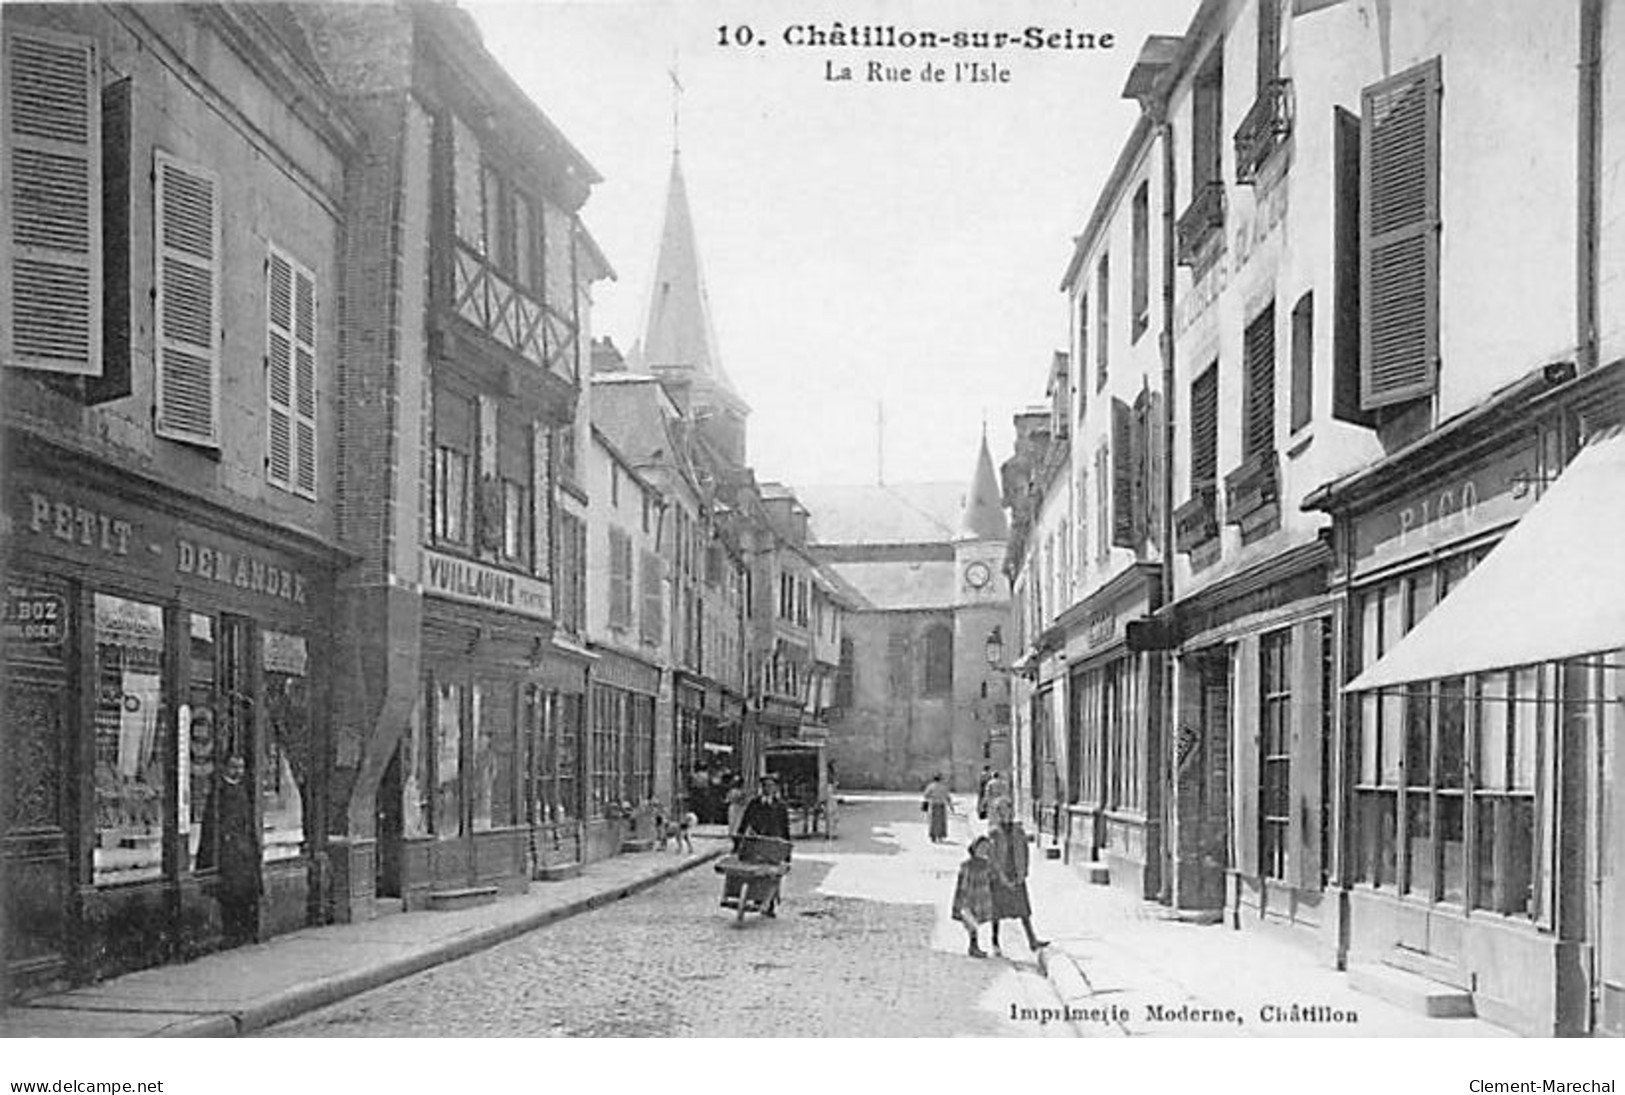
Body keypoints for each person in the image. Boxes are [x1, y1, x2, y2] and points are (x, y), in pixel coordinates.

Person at [198, 755, 261, 946]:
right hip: (229, 853)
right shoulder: (219, 792)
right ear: (225, 767)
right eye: (234, 767)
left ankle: (245, 932)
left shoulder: (242, 790)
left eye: (241, 767)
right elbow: (211, 825)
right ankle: (232, 933)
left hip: (244, 852)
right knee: (231, 894)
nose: (238, 771)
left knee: (245, 893)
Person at [987, 797, 1048, 954]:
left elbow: (1025, 852)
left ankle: (1032, 940)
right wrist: (1000, 875)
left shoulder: (1018, 831)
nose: (1004, 814)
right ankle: (995, 942)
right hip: (1000, 875)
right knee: (997, 911)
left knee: (1023, 911)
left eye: (1007, 809)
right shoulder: (993, 833)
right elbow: (992, 856)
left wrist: (1024, 872)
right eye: (1000, 811)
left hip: (1016, 872)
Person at [730, 775, 791, 916]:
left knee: (773, 874)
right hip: (757, 841)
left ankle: (770, 903)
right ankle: (756, 896)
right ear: (761, 788)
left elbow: (785, 828)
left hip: (774, 844)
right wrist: (738, 840)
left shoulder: (780, 806)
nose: (768, 789)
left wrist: (787, 852)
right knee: (755, 870)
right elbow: (745, 822)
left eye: (771, 786)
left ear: (775, 788)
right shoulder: (754, 804)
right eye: (765, 786)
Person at [953, 836, 996, 958]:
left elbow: (991, 879)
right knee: (971, 922)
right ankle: (973, 946)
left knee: (977, 921)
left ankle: (976, 945)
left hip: (981, 897)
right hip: (969, 897)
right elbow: (963, 883)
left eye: (986, 848)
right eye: (981, 848)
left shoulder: (987, 864)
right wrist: (963, 899)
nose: (983, 850)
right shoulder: (967, 865)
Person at [922, 773, 952, 843]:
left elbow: (926, 795)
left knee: (933, 821)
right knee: (941, 821)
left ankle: (933, 836)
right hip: (941, 805)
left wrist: (931, 797)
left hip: (934, 805)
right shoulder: (943, 786)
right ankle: (940, 836)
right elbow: (948, 796)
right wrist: (951, 806)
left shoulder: (931, 786)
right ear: (940, 779)